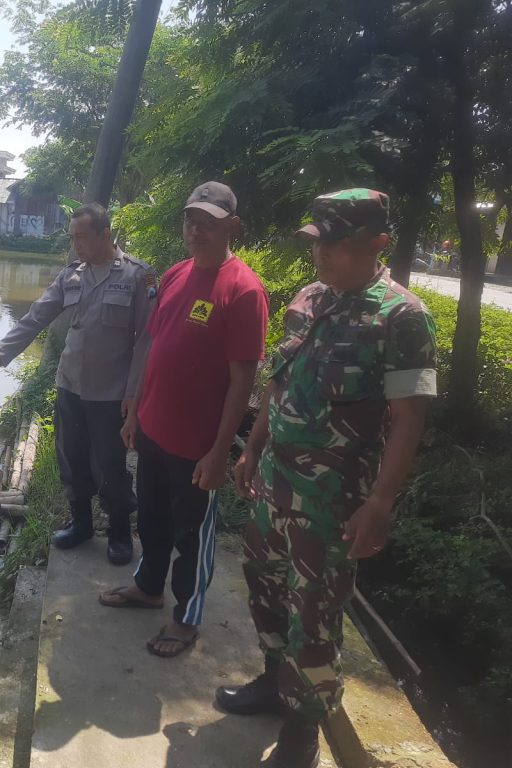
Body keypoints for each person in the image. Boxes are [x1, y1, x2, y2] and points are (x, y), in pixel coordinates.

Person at [217, 189, 437, 768]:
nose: (324, 254)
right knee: (263, 585)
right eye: (320, 242)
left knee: (313, 616)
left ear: (377, 243)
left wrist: (381, 501)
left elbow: (409, 416)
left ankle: (301, 734)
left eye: (337, 244)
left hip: (332, 501)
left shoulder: (402, 316)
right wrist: (252, 447)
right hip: (272, 484)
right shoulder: (308, 299)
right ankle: (271, 683)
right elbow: (279, 384)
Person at [98, 181, 269, 659]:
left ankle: (186, 618)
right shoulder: (175, 274)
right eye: (190, 220)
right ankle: (148, 587)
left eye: (207, 223)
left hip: (198, 445)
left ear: (231, 226)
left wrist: (219, 452)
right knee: (151, 519)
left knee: (191, 535)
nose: (195, 230)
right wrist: (134, 409)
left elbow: (243, 380)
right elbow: (153, 345)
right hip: (153, 427)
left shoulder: (244, 290)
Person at [0, 202, 154, 565]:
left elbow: (146, 341)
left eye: (82, 237)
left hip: (111, 394)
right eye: (72, 238)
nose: (76, 245)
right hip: (70, 386)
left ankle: (118, 532)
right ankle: (80, 523)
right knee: (73, 459)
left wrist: (133, 392)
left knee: (111, 465)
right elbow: (35, 317)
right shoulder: (71, 276)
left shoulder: (136, 276)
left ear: (105, 234)